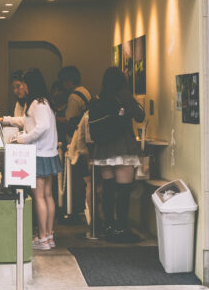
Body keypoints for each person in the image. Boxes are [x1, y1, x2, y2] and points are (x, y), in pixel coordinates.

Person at [90, 66, 145, 243]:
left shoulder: (102, 96)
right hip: (122, 146)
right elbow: (140, 116)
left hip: (103, 148)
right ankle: (121, 228)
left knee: (108, 188)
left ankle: (108, 226)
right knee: (123, 190)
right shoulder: (124, 94)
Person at [15, 68, 61, 251]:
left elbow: (42, 127)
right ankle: (48, 236)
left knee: (39, 196)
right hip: (48, 154)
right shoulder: (44, 102)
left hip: (38, 154)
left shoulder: (37, 104)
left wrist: (23, 139)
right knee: (48, 195)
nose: (22, 87)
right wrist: (9, 120)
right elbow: (30, 123)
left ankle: (42, 238)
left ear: (30, 84)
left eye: (24, 83)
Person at [57, 66, 92, 221]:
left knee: (79, 179)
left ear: (68, 81)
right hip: (88, 141)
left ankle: (76, 208)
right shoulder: (86, 92)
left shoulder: (73, 97)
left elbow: (69, 120)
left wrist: (53, 118)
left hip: (76, 142)